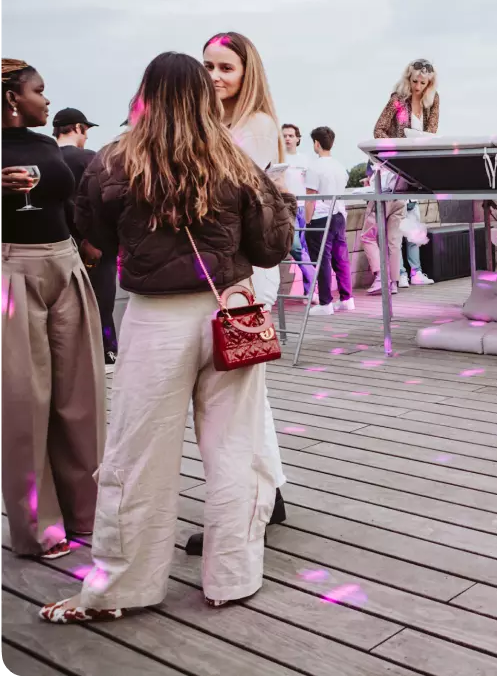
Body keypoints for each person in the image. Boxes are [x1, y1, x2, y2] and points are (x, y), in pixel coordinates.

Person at [39, 52, 296, 622]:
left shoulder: (115, 159)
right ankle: (232, 577)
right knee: (235, 449)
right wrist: (281, 203)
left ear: (146, 96)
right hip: (230, 311)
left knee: (138, 453)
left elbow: (95, 232)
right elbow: (270, 247)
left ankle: (123, 586)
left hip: (155, 318)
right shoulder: (232, 158)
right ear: (204, 96)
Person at [184, 32, 288, 560]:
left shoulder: (258, 126)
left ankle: (256, 503)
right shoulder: (217, 124)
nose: (214, 76)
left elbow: (216, 187)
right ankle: (268, 494)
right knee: (246, 392)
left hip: (246, 274)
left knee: (240, 392)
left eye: (226, 67)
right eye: (207, 66)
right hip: (224, 271)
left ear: (248, 73)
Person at [1, 59, 105, 562]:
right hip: (10, 270)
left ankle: (89, 512)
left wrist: (87, 241)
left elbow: (65, 202)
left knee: (81, 392)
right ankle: (39, 526)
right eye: (39, 91)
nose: (46, 100)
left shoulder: (46, 146)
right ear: (12, 98)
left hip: (65, 263)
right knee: (24, 402)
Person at [365, 59, 440, 293]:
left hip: (415, 169)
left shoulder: (433, 100)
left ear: (429, 84)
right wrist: (396, 148)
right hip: (395, 169)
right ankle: (397, 277)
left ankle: (401, 277)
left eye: (423, 83)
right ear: (408, 78)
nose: (418, 86)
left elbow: (432, 132)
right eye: (415, 81)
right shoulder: (398, 99)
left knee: (405, 230)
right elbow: (378, 129)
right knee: (392, 234)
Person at [53, 107, 119, 371]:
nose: (87, 137)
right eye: (86, 131)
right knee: (102, 302)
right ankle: (107, 354)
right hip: (95, 247)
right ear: (78, 128)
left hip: (58, 247)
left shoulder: (46, 158)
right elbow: (101, 201)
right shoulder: (88, 159)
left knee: (65, 308)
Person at [305, 126, 355, 316]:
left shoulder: (314, 167)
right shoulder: (339, 166)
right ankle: (347, 299)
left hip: (321, 217)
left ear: (316, 143)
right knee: (341, 259)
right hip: (339, 215)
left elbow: (310, 198)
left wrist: (307, 222)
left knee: (322, 260)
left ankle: (326, 302)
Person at [281, 123, 315, 300]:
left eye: (291, 135)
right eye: (284, 135)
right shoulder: (278, 158)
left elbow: (312, 185)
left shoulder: (306, 160)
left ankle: (310, 291)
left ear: (297, 139)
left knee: (303, 248)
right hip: (287, 207)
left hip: (303, 207)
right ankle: (315, 279)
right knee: (296, 247)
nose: (287, 138)